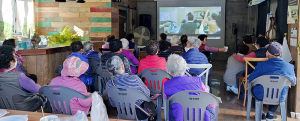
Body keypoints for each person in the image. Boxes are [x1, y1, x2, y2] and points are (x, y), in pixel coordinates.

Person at [248, 42, 296, 120]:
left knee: (253, 88)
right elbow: (294, 82)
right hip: (279, 96)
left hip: (261, 95)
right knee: (278, 90)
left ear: (267, 54)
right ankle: (270, 114)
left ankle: (261, 114)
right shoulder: (289, 67)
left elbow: (250, 79)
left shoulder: (261, 65)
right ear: (281, 54)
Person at [164, 54, 215, 121]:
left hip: (179, 117)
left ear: (168, 70)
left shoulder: (166, 85)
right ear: (185, 67)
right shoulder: (198, 81)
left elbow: (165, 98)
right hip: (201, 116)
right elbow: (210, 99)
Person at [0, 45, 46, 111]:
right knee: (42, 97)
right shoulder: (19, 76)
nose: (16, 58)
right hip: (23, 107)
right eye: (14, 56)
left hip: (3, 106)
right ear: (10, 62)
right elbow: (38, 89)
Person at [105, 56, 151, 120]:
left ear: (109, 71)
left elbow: (112, 103)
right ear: (123, 66)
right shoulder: (135, 79)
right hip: (139, 114)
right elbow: (147, 94)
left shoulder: (109, 84)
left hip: (121, 114)